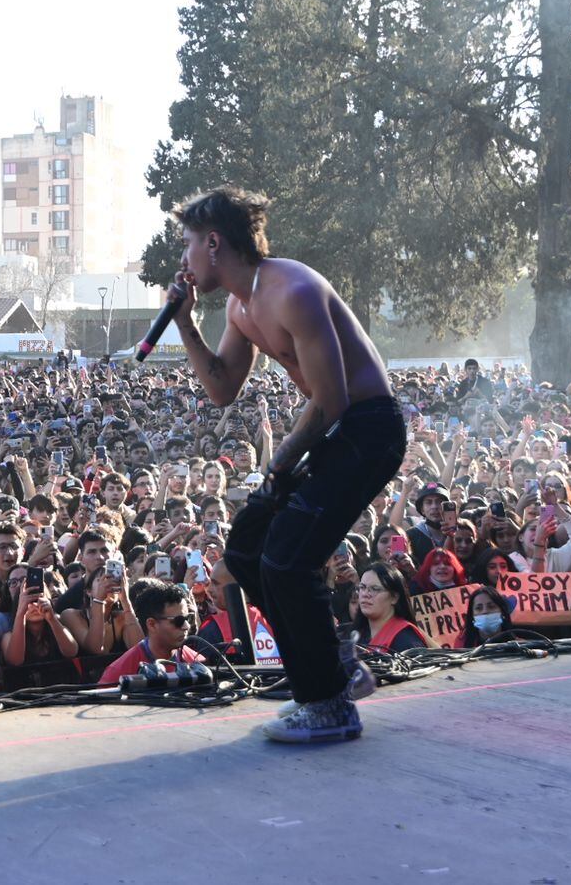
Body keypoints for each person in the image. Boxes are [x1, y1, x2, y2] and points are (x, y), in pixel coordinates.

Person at [169, 186, 405, 742]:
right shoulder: (239, 304)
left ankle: (328, 703)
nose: (182, 260)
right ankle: (336, 664)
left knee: (287, 558)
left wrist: (279, 462)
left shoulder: (292, 289)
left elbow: (334, 400)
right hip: (334, 430)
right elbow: (223, 388)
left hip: (368, 428)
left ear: (213, 241)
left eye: (186, 245)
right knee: (248, 548)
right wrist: (185, 324)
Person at [97, 583, 207, 685]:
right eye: (178, 621)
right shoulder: (119, 672)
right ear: (152, 624)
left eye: (188, 618)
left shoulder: (198, 663)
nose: (186, 626)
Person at [353, 563, 429, 653]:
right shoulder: (356, 634)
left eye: (375, 589)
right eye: (362, 587)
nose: (365, 594)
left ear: (394, 598)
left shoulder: (406, 640)